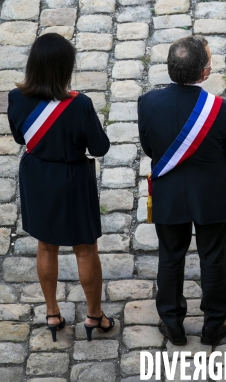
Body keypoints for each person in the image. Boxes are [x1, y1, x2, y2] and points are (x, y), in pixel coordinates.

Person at [138, 35, 226, 346]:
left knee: (170, 256)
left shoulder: (148, 103)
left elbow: (149, 147)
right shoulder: (221, 109)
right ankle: (214, 324)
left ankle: (172, 323)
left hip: (169, 193)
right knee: (213, 257)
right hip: (211, 193)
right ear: (205, 73)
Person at [8, 33, 114, 342]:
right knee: (85, 249)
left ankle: (52, 313)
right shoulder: (80, 104)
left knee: (46, 245)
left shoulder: (15, 98)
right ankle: (95, 315)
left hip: (37, 175)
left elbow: (19, 137)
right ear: (66, 67)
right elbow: (100, 147)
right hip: (72, 180)